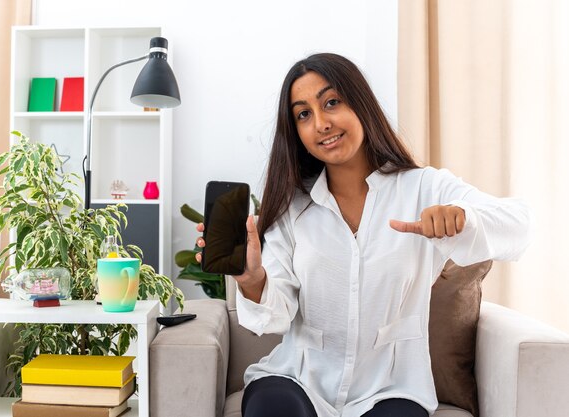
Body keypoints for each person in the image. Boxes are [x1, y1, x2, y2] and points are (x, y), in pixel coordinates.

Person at [195, 53, 530, 417]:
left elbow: (518, 224)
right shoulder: (292, 207)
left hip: (391, 388)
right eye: (303, 114)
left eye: (332, 102)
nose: (321, 123)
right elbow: (274, 318)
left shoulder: (424, 187)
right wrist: (252, 278)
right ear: (297, 132)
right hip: (296, 379)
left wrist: (463, 218)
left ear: (361, 104)